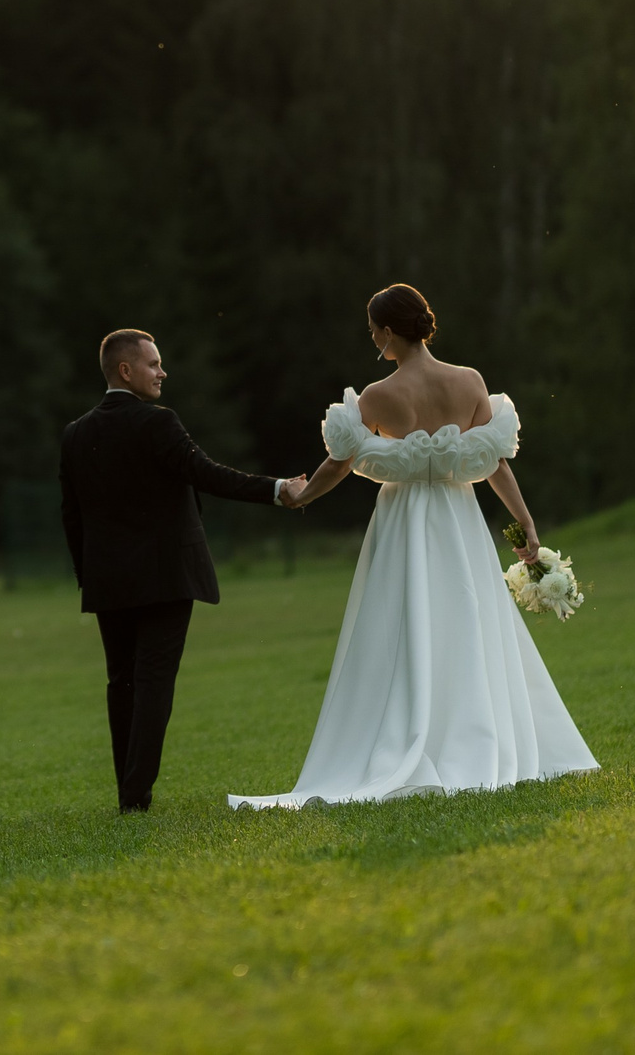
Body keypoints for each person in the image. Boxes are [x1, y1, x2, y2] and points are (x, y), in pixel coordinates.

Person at [230, 284, 597, 809]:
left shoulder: (379, 396)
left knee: (400, 623)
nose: (372, 338)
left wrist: (301, 496)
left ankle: (408, 730)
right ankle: (474, 732)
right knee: (467, 618)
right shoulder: (469, 382)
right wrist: (527, 526)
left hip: (403, 520)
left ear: (386, 333)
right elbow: (496, 462)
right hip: (458, 516)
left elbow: (339, 461)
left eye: (373, 330)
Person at [60, 329, 307, 813]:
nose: (162, 372)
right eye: (153, 364)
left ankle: (128, 794)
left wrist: (89, 577)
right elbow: (207, 473)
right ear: (126, 370)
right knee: (153, 681)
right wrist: (276, 489)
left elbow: (72, 515)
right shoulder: (157, 423)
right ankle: (136, 797)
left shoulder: (75, 433)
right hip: (166, 575)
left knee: (123, 683)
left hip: (109, 580)